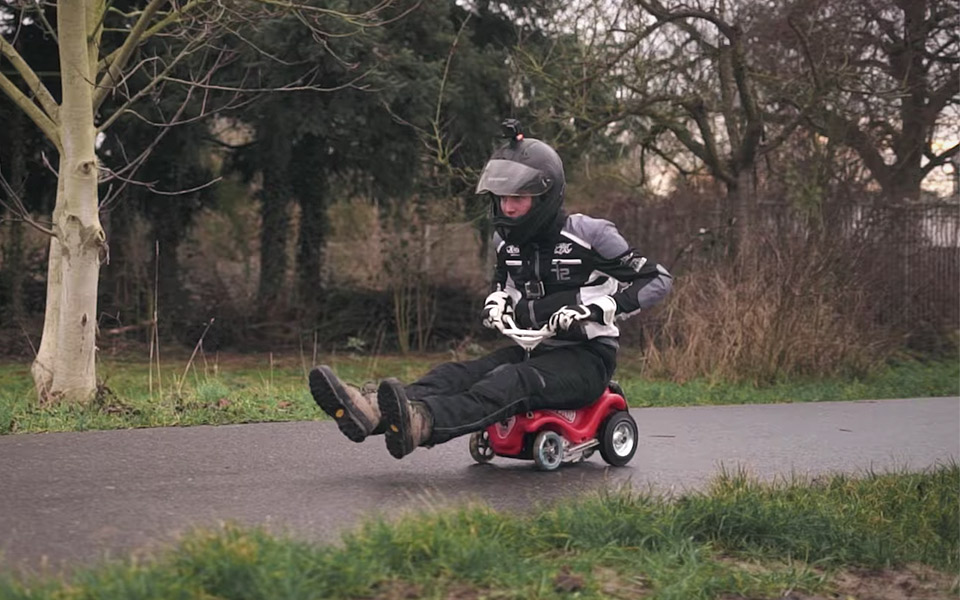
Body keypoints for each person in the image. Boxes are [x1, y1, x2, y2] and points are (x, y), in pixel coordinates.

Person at [309, 120, 673, 460]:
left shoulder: (591, 235)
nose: (508, 207)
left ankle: (422, 422)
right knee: (459, 374)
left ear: (545, 197)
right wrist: (499, 298)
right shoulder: (506, 242)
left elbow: (657, 279)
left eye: (518, 198)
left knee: (510, 381)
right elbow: (505, 283)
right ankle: (370, 410)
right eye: (502, 198)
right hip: (535, 348)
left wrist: (600, 308)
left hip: (587, 359)